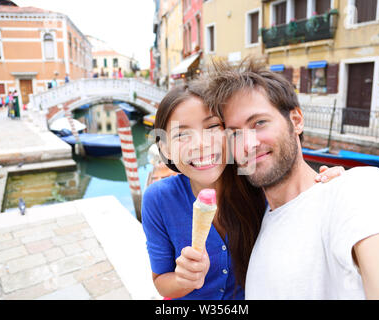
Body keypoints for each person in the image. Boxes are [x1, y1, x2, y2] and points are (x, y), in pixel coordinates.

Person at [205, 58, 379, 299]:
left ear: (296, 120)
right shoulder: (257, 222)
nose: (248, 144)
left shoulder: (359, 189)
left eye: (259, 123)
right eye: (235, 134)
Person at [141, 81, 345, 300]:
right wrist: (183, 280)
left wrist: (330, 181)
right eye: (181, 135)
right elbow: (161, 282)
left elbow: (300, 192)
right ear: (165, 148)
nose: (200, 144)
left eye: (212, 127)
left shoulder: (259, 182)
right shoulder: (158, 199)